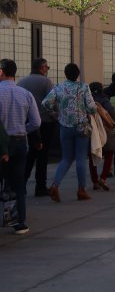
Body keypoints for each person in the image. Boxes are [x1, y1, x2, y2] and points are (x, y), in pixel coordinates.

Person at [43, 63, 96, 203]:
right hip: (81, 127)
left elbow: (46, 103)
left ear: (65, 74)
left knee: (66, 158)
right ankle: (81, 190)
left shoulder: (58, 87)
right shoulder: (83, 87)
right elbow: (91, 108)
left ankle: (55, 185)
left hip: (64, 127)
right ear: (78, 74)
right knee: (80, 158)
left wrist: (55, 113)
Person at [0, 59, 41, 234]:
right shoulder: (25, 93)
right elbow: (36, 121)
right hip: (20, 141)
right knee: (18, 183)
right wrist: (23, 129)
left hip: (2, 142)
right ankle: (20, 223)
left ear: (1, 72)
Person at [18, 58, 56, 197]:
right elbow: (52, 102)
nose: (47, 69)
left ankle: (21, 184)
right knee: (42, 155)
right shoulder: (46, 82)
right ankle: (40, 186)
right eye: (47, 67)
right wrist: (55, 116)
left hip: (27, 123)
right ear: (42, 68)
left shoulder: (21, 82)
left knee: (30, 155)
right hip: (45, 123)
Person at [88, 82, 115, 191]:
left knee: (93, 155)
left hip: (92, 131)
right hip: (105, 130)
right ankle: (103, 178)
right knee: (109, 153)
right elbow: (111, 112)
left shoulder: (88, 100)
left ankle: (95, 182)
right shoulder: (104, 99)